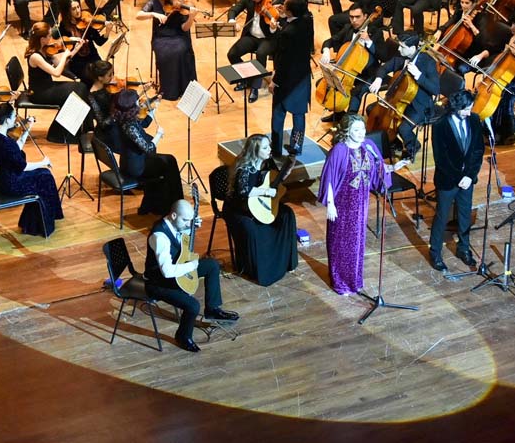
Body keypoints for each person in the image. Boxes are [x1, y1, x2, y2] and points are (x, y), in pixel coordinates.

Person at [145, 199, 239, 352]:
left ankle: (212, 309)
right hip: (158, 282)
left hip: (178, 270)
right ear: (174, 215)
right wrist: (191, 266)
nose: (188, 223)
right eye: (185, 220)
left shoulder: (176, 224)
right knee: (193, 305)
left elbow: (181, 244)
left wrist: (190, 229)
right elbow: (167, 271)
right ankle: (182, 336)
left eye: (190, 220)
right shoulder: (159, 236)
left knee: (212, 265)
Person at [317, 114, 390, 294]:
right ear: (346, 131)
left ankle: (354, 280)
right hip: (343, 204)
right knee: (341, 243)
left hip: (361, 204)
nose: (361, 133)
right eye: (356, 130)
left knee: (357, 243)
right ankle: (340, 282)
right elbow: (329, 179)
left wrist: (392, 169)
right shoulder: (339, 150)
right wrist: (330, 204)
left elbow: (378, 170)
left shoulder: (369, 147)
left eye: (362, 129)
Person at [224, 134, 299, 286]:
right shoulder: (244, 168)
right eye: (265, 147)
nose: (269, 149)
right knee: (251, 228)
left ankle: (286, 262)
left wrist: (287, 170)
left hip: (259, 204)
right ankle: (260, 270)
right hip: (239, 209)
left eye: (269, 146)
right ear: (255, 150)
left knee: (287, 214)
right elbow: (244, 191)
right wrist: (265, 193)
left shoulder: (267, 163)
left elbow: (271, 181)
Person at [428, 90, 484, 273]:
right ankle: (435, 252)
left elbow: (477, 151)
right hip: (448, 180)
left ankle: (463, 248)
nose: (469, 112)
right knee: (442, 216)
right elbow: (441, 159)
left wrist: (469, 175)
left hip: (467, 179)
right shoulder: (440, 125)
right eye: (466, 109)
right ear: (456, 108)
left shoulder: (474, 120)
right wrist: (459, 178)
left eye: (470, 108)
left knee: (465, 214)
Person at [0, 104, 63, 237]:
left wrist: (28, 129)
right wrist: (43, 163)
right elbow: (23, 166)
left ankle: (33, 223)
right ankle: (40, 225)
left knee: (44, 175)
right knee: (45, 177)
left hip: (2, 179)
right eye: (13, 116)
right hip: (11, 184)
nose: (16, 118)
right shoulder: (5, 143)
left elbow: (15, 149)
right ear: (7, 120)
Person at [367, 32, 441, 160]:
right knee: (371, 110)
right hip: (398, 99)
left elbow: (435, 89)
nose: (398, 49)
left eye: (402, 47)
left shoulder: (428, 62)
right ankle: (394, 142)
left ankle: (413, 146)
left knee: (404, 128)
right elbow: (383, 68)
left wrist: (419, 75)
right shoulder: (401, 57)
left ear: (413, 48)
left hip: (419, 104)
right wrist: (378, 79)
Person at [111, 89, 183, 216]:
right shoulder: (129, 127)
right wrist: (159, 135)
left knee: (170, 160)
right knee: (169, 164)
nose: (140, 103)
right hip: (136, 167)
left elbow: (144, 123)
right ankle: (171, 204)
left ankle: (159, 203)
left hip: (132, 160)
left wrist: (155, 107)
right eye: (137, 102)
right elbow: (149, 148)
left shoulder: (124, 118)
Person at [468, 15, 515, 143]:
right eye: (512, 24)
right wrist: (481, 55)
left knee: (504, 95)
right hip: (504, 77)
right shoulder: (510, 37)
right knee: (492, 91)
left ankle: (506, 131)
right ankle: (484, 127)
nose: (512, 28)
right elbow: (494, 49)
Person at [319, 3, 387, 122]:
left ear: (365, 16)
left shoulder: (376, 32)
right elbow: (331, 40)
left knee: (356, 92)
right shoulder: (348, 28)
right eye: (351, 17)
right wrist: (326, 50)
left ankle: (349, 122)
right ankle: (339, 113)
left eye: (357, 17)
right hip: (347, 71)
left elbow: (383, 56)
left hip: (368, 73)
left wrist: (368, 41)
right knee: (325, 83)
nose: (354, 20)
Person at [24, 21, 90, 141]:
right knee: (77, 93)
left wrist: (75, 49)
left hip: (48, 86)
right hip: (39, 93)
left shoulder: (46, 50)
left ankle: (84, 128)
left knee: (81, 87)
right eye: (49, 35)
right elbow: (56, 73)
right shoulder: (35, 56)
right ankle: (57, 133)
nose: (52, 38)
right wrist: (64, 55)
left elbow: (60, 64)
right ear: (42, 39)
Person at [136, 0, 197, 100]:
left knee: (181, 50)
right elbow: (139, 15)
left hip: (178, 35)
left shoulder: (178, 3)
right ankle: (170, 91)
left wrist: (191, 18)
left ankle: (185, 89)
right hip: (161, 37)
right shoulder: (153, 2)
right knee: (166, 53)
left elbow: (185, 28)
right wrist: (153, 14)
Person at [269, 0, 313, 156]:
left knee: (278, 115)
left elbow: (282, 60)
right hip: (302, 77)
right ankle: (296, 147)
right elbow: (302, 13)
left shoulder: (287, 33)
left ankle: (276, 149)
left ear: (290, 11)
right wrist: (284, 17)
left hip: (286, 81)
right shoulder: (308, 21)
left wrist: (274, 81)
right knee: (299, 115)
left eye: (285, 6)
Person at [227, 0, 278, 103]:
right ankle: (247, 78)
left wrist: (273, 27)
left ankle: (255, 87)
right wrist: (232, 21)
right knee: (232, 54)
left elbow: (278, 26)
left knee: (261, 54)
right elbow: (234, 10)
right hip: (251, 36)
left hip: (268, 38)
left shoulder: (272, 0)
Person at [57, 0, 110, 83]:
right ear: (67, 11)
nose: (78, 11)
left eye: (78, 7)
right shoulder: (64, 26)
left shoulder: (87, 20)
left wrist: (108, 31)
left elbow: (99, 42)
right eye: (73, 9)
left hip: (93, 56)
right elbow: (65, 48)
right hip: (78, 62)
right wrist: (73, 40)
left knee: (106, 73)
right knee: (92, 79)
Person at [85, 60, 120, 150]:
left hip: (117, 126)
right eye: (109, 75)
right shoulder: (92, 97)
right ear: (100, 78)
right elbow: (103, 123)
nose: (112, 77)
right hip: (108, 134)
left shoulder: (107, 87)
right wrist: (117, 111)